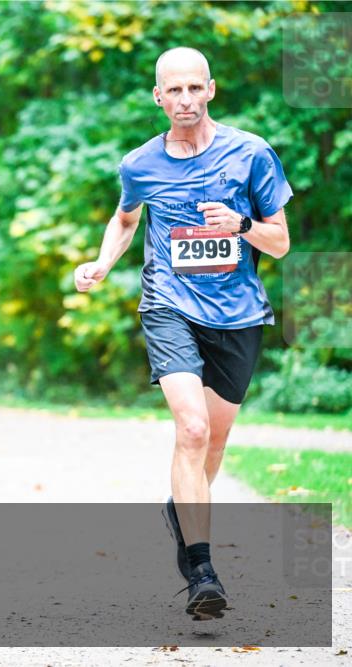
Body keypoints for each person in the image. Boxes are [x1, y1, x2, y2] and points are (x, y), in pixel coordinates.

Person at [74, 47, 292, 619]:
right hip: (169, 304)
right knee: (191, 429)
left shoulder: (252, 154)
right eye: (175, 91)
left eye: (195, 89)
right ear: (158, 96)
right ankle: (201, 571)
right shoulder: (139, 163)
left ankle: (183, 509)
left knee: (212, 444)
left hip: (238, 315)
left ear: (212, 90)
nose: (186, 100)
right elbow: (125, 219)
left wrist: (242, 225)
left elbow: (281, 241)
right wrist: (101, 262)